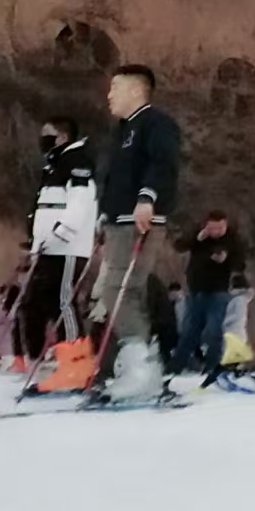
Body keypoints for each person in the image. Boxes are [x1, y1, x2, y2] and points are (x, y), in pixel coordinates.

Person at [90, 64, 181, 397]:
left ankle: (140, 368)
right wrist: (103, 214)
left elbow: (163, 164)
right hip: (118, 220)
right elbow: (114, 178)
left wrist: (147, 197)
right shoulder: (122, 130)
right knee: (122, 291)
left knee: (121, 289)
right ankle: (139, 366)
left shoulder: (156, 123)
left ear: (136, 89)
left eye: (115, 87)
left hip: (139, 219)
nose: (109, 95)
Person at [17, 116, 97, 372]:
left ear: (62, 137)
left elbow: (80, 202)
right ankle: (60, 358)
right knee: (47, 301)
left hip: (67, 247)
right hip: (48, 247)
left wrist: (62, 231)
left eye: (47, 134)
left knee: (64, 301)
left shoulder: (76, 161)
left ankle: (77, 363)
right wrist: (36, 243)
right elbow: (44, 209)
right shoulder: (53, 166)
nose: (43, 139)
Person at [172, 210, 246, 380]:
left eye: (221, 228)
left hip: (219, 289)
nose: (217, 232)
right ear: (207, 225)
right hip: (196, 288)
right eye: (213, 228)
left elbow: (240, 262)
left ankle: (212, 366)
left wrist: (226, 259)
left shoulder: (232, 239)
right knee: (189, 330)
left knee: (214, 329)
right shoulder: (198, 235)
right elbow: (179, 246)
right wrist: (198, 238)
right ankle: (176, 367)